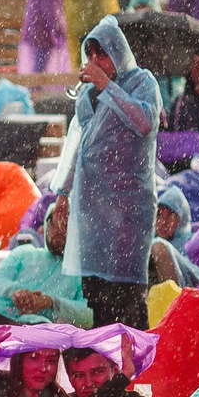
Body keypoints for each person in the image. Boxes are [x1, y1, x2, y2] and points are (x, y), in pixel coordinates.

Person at [62, 18, 159, 333]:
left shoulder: (142, 81)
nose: (95, 63)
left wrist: (107, 86)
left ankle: (134, 373)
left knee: (126, 299)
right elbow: (80, 145)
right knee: (97, 300)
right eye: (89, 55)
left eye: (101, 54)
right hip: (93, 212)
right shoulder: (87, 94)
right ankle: (102, 375)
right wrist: (63, 194)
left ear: (117, 53)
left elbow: (144, 122)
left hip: (127, 211)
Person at [0, 198, 93, 327]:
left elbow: (88, 317)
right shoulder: (24, 253)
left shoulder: (77, 271)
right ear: (44, 226)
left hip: (35, 326)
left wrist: (51, 302)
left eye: (64, 223)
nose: (57, 228)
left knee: (39, 331)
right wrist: (15, 292)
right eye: (52, 222)